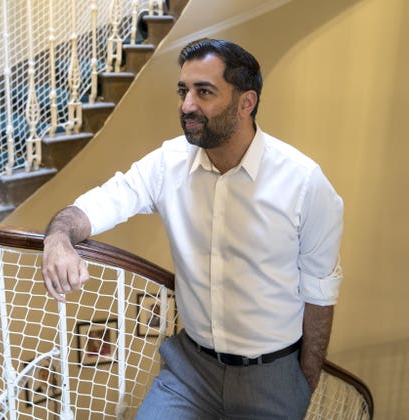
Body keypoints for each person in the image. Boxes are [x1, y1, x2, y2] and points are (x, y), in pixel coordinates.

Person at [42, 38, 343, 419]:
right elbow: (97, 204)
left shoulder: (305, 184)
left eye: (204, 92)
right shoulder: (167, 163)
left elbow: (320, 292)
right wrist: (58, 238)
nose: (187, 106)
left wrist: (301, 384)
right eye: (184, 91)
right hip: (189, 372)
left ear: (246, 102)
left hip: (272, 378)